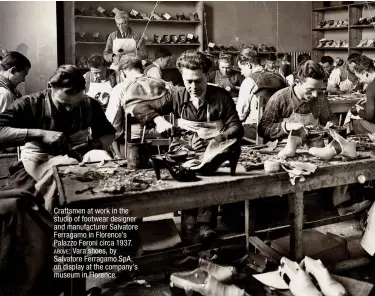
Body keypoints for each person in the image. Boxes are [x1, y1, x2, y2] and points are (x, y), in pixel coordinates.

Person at [133, 50, 243, 240]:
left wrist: (216, 140)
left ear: (207, 75)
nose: (193, 87)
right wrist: (158, 120)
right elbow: (139, 108)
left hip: (213, 148)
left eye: (198, 81)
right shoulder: (176, 95)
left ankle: (205, 223)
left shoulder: (221, 96)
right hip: (182, 148)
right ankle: (190, 220)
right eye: (188, 81)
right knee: (186, 169)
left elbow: (236, 127)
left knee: (209, 168)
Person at [0, 65, 115, 211]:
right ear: (50, 88)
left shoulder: (89, 104)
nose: (70, 109)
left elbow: (109, 134)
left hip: (79, 153)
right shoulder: (30, 104)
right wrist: (40, 134)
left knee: (105, 163)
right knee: (67, 169)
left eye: (75, 104)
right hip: (41, 158)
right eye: (64, 104)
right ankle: (59, 225)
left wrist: (91, 146)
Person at [106, 56, 171, 158]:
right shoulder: (164, 84)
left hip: (133, 147)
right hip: (164, 145)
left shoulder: (120, 89)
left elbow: (113, 123)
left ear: (122, 72)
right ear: (142, 69)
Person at [258, 60, 332, 142]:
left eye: (318, 89)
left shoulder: (321, 97)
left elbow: (327, 122)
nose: (315, 95)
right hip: (284, 147)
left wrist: (330, 125)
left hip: (313, 145)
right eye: (310, 89)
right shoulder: (280, 98)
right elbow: (263, 129)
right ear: (297, 82)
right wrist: (288, 126)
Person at [236, 48, 286, 140]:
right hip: (279, 128)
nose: (241, 73)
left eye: (241, 69)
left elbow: (240, 114)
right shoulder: (279, 77)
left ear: (248, 65)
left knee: (229, 129)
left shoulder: (249, 81)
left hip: (256, 129)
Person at [346, 55, 375, 134]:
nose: (361, 81)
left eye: (359, 77)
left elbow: (370, 116)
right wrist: (369, 99)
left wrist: (359, 111)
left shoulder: (371, 87)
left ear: (366, 73)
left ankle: (368, 144)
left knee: (356, 122)